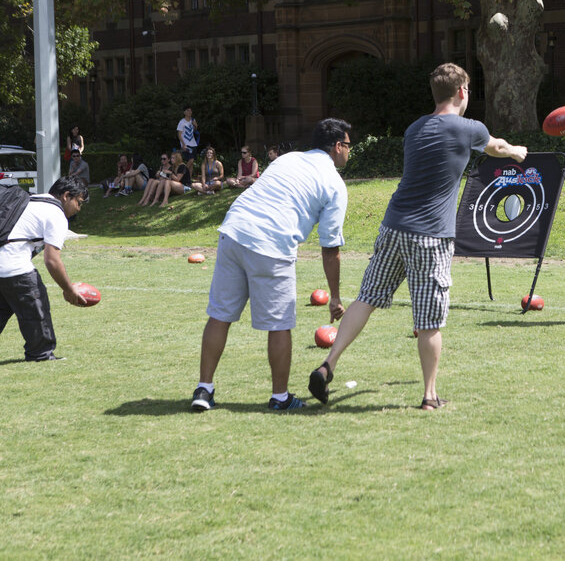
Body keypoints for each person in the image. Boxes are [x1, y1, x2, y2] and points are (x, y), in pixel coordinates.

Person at [307, 63, 528, 411]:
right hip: (431, 235)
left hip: (393, 226)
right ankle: (429, 395)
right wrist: (516, 151)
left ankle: (328, 364)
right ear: (462, 93)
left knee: (367, 298)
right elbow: (496, 147)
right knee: (429, 319)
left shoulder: (414, 128)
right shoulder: (469, 127)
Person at [191, 118, 352, 412]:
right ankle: (280, 397)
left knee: (220, 315)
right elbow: (330, 250)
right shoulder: (334, 185)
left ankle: (204, 390)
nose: (349, 152)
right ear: (338, 146)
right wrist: (336, 297)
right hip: (272, 242)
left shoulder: (289, 159)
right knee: (279, 325)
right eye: (349, 146)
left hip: (234, 230)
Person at [0, 176, 89, 361]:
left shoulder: (32, 199)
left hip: (5, 263)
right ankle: (41, 354)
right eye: (79, 203)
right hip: (14, 266)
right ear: (66, 196)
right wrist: (68, 289)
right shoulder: (56, 213)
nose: (78, 210)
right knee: (36, 308)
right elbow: (52, 260)